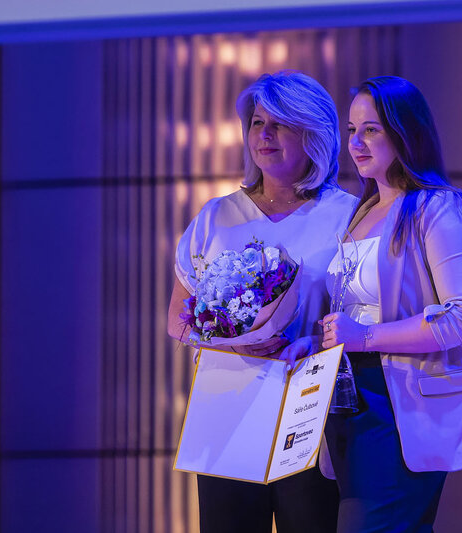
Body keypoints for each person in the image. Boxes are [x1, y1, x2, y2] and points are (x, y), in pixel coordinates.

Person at [166, 71, 358, 532]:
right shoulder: (216, 216)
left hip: (309, 414)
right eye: (257, 123)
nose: (264, 135)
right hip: (225, 411)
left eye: (280, 124)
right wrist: (235, 343)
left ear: (313, 134)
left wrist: (316, 341)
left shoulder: (349, 215)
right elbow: (177, 321)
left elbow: (364, 315)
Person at [318, 76, 462, 531]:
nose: (356, 143)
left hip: (401, 407)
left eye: (371, 129)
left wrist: (365, 337)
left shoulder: (439, 208)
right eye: (352, 130)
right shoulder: (361, 211)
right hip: (350, 402)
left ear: (405, 132)